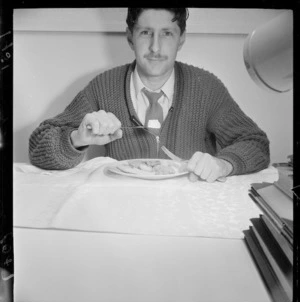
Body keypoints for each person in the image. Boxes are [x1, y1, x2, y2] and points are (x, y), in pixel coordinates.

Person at [29, 8, 270, 182]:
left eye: (167, 33)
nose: (155, 47)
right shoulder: (104, 86)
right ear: (130, 37)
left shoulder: (206, 87)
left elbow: (255, 143)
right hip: (124, 216)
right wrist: (76, 138)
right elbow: (38, 147)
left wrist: (222, 164)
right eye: (145, 32)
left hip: (189, 212)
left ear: (182, 38)